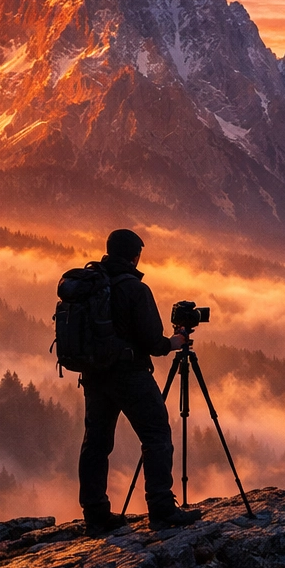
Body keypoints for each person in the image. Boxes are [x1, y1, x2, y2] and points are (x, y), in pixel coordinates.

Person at [78, 228, 202, 536]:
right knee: (156, 434)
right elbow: (151, 341)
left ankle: (96, 515)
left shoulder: (91, 282)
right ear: (135, 256)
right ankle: (161, 509)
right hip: (129, 375)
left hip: (94, 375)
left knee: (96, 443)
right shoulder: (134, 288)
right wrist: (173, 343)